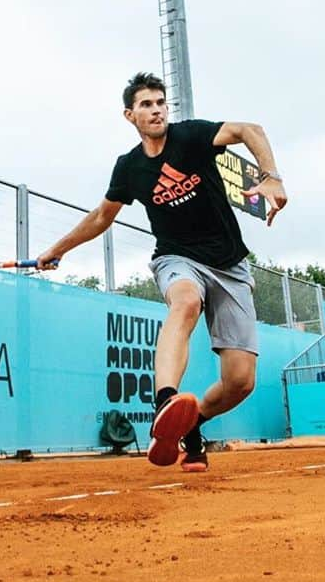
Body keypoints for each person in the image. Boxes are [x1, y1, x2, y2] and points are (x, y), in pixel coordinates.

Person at [35, 71, 287, 474]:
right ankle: (165, 401)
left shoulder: (191, 137)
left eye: (160, 103)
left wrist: (271, 176)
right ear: (129, 116)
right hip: (177, 258)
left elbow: (249, 129)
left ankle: (191, 426)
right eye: (146, 105)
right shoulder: (130, 168)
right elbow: (102, 216)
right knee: (185, 301)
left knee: (240, 381)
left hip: (230, 265)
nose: (156, 111)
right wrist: (56, 250)